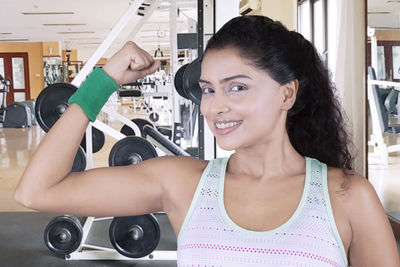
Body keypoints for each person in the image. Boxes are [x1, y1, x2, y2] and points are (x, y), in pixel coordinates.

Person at [15, 15, 399, 267]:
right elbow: (37, 192)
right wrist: (105, 80)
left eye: (237, 87)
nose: (216, 107)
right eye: (208, 90)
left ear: (287, 94)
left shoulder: (347, 196)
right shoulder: (184, 183)